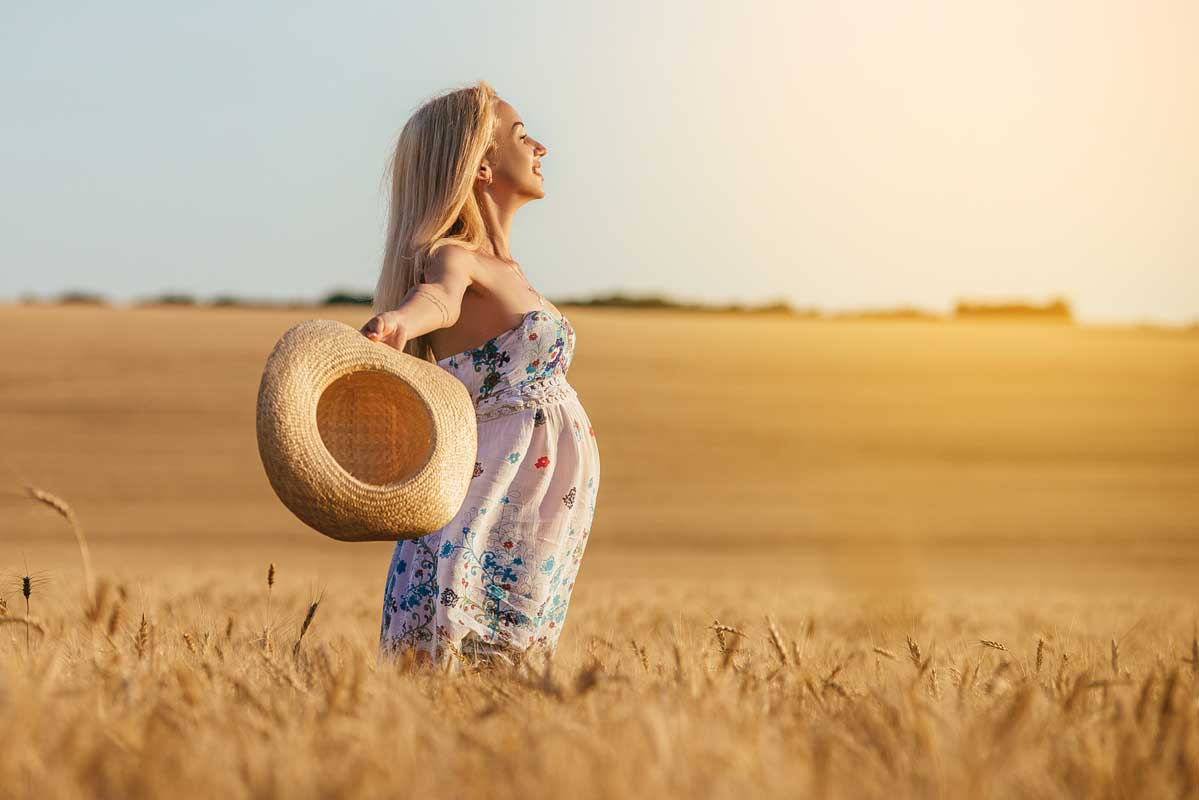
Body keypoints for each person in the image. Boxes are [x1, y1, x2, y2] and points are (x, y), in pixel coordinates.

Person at [360, 80, 600, 673]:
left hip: (538, 508)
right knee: (466, 657)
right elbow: (437, 302)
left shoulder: (514, 272)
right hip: (490, 495)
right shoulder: (455, 256)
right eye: (523, 136)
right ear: (483, 165)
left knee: (510, 667)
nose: (540, 147)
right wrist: (399, 321)